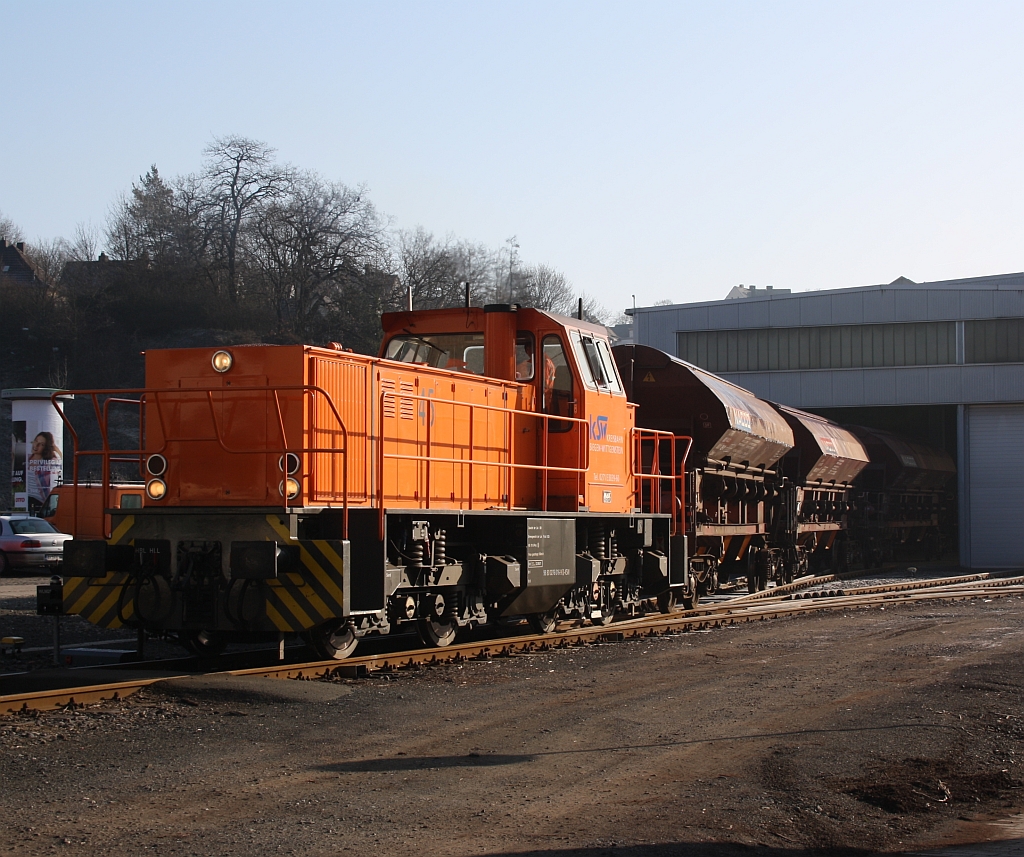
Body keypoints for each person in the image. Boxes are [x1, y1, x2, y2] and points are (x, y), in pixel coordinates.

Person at [26, 431, 62, 514]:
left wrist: (54, 448)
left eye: (41, 444)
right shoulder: (26, 459)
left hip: (41, 502)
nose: (36, 446)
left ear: (46, 447)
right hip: (26, 499)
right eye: (36, 441)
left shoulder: (49, 462)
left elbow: (60, 459)